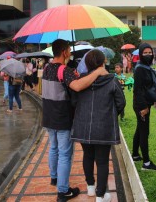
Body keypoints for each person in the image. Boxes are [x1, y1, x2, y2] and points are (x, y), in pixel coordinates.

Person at [42, 39, 108, 202]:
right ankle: (63, 191)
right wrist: (97, 73)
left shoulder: (46, 68)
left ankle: (54, 177)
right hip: (62, 117)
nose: (70, 53)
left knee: (54, 148)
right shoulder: (64, 70)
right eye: (69, 50)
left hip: (48, 116)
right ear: (64, 51)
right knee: (65, 154)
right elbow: (78, 87)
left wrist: (73, 76)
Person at [71, 50, 126, 202]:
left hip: (83, 126)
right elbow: (121, 102)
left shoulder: (80, 81)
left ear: (87, 64)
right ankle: (100, 196)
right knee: (102, 161)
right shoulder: (111, 80)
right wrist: (110, 115)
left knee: (87, 156)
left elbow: (74, 102)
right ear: (103, 63)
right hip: (103, 126)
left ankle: (90, 187)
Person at [132, 43, 156, 170]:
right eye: (145, 53)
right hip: (141, 105)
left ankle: (135, 154)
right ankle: (146, 163)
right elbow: (138, 90)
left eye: (150, 53)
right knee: (144, 132)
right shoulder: (140, 69)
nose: (148, 55)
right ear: (141, 54)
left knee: (140, 129)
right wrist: (143, 107)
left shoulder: (144, 66)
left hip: (144, 104)